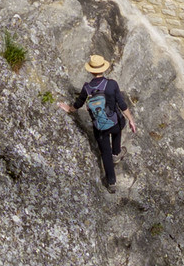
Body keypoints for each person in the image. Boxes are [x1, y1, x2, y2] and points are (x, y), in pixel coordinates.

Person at [57, 54, 138, 191]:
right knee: (120, 123)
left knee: (105, 152)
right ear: (103, 68)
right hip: (115, 124)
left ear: (90, 70)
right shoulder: (112, 84)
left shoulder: (87, 88)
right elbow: (122, 105)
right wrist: (131, 120)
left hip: (100, 128)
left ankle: (112, 183)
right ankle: (116, 153)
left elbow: (77, 105)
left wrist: (69, 109)